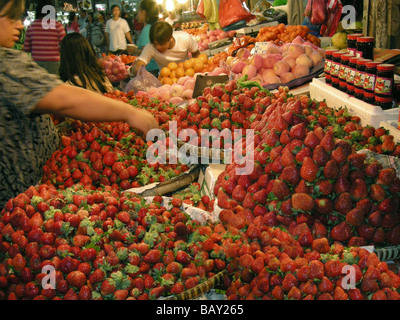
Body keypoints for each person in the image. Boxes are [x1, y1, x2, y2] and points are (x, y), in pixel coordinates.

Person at [0, 0, 158, 210]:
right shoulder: (4, 64)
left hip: (39, 188)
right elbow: (62, 99)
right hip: (22, 199)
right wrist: (129, 112)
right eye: (10, 17)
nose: (20, 25)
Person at [129, 21, 200, 77]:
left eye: (161, 44)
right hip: (165, 81)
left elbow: (196, 54)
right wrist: (141, 73)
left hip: (187, 76)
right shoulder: (150, 47)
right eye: (155, 44)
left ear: (171, 38)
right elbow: (139, 65)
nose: (158, 47)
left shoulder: (185, 38)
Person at [24, 0, 66, 75]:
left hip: (36, 62)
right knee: (54, 85)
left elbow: (26, 48)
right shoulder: (57, 25)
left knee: (38, 85)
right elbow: (65, 45)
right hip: (53, 62)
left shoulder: (32, 26)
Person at [133, 0, 159, 76]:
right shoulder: (153, 27)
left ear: (143, 12)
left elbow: (146, 53)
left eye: (138, 11)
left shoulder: (147, 29)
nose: (137, 14)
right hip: (157, 68)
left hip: (151, 70)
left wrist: (134, 50)